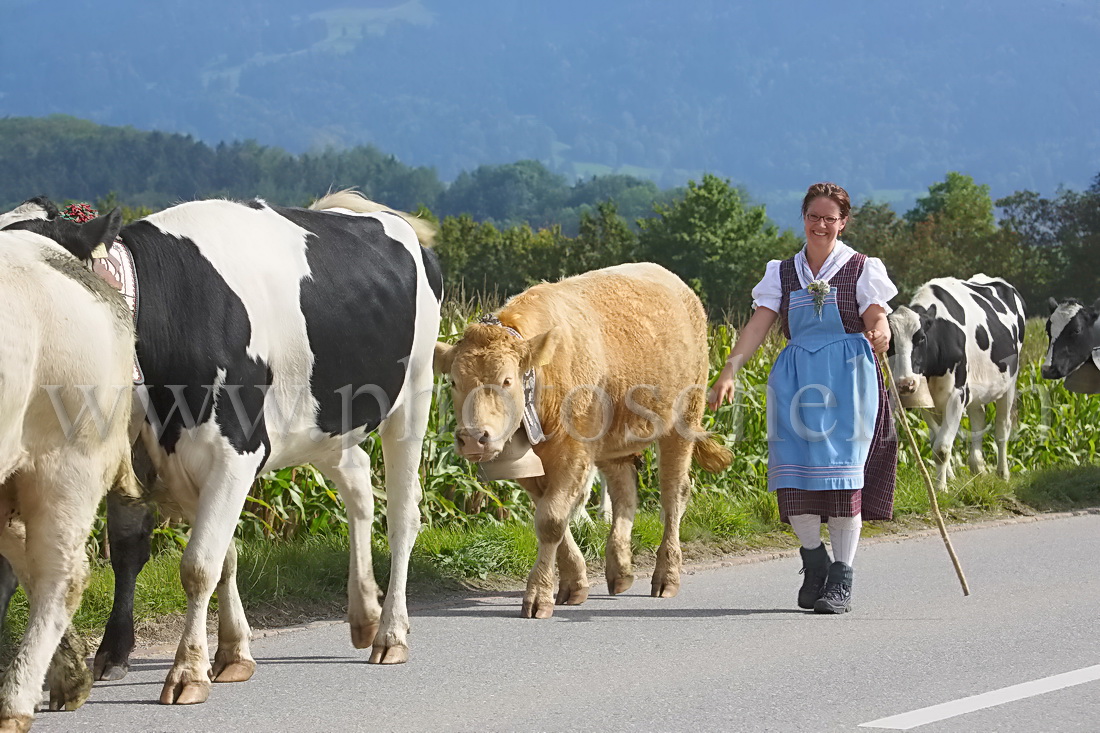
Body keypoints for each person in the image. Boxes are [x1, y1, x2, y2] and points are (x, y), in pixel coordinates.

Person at [708, 182, 897, 614]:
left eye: (830, 218)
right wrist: (729, 371)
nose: (821, 225)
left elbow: (876, 316)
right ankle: (815, 560)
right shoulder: (783, 272)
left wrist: (881, 332)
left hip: (849, 381)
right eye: (814, 216)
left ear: (843, 223)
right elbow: (759, 324)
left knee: (844, 480)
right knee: (793, 481)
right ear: (804, 218)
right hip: (795, 382)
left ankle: (841, 580)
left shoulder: (861, 268)